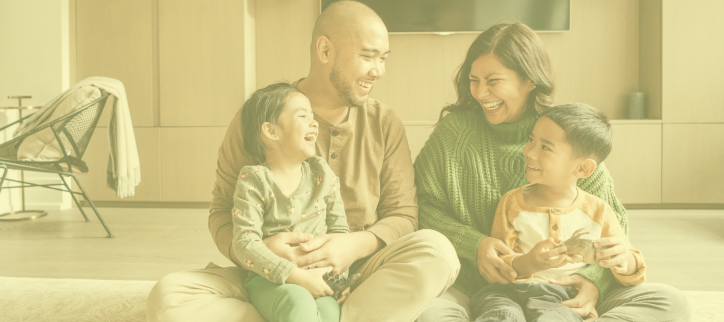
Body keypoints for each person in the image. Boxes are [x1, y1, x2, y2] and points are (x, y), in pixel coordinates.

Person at [146, 2, 459, 322]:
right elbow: (222, 214)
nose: (377, 70)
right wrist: (264, 252)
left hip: (356, 278)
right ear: (325, 50)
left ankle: (314, 314)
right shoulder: (262, 117)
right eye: (367, 57)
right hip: (269, 275)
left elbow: (404, 216)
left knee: (438, 253)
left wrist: (351, 247)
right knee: (168, 296)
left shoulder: (384, 122)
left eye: (383, 59)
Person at [414, 22, 689, 321]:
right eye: (474, 80)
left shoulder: (564, 131)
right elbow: (418, 206)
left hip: (561, 291)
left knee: (670, 302)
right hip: (477, 289)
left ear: (530, 80)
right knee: (428, 310)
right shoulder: (454, 133)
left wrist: (592, 281)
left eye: (493, 81)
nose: (481, 93)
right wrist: (473, 244)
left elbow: (613, 224)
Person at [470, 103, 646, 322]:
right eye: (531, 140)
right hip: (508, 294)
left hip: (562, 298)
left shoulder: (599, 211)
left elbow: (633, 272)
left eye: (546, 147)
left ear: (583, 168)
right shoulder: (512, 203)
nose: (529, 152)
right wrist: (530, 263)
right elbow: (501, 264)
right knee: (499, 313)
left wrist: (625, 259)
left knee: (667, 300)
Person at [233, 83, 351, 322]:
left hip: (320, 278)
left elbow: (340, 232)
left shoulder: (322, 173)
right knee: (297, 302)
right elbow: (244, 243)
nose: (314, 122)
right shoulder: (254, 179)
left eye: (313, 116)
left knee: (330, 313)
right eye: (302, 115)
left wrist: (338, 277)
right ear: (271, 131)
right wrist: (296, 277)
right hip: (271, 280)